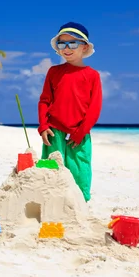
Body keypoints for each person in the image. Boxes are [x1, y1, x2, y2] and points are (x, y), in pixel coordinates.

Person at [37, 22, 102, 202]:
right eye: (62, 43)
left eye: (72, 43)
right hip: (53, 131)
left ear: (84, 47)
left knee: (79, 170)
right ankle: (50, 202)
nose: (67, 48)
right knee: (51, 169)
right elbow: (44, 101)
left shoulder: (92, 75)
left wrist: (81, 131)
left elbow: (94, 108)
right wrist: (43, 126)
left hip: (78, 134)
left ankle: (80, 204)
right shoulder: (54, 72)